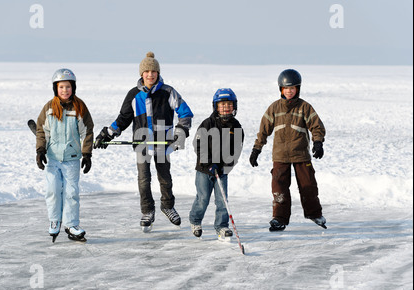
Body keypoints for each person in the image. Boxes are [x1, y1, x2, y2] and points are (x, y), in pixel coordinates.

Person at [94, 52, 193, 232]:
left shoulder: (168, 92)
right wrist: (107, 134)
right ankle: (147, 211)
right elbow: (123, 119)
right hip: (142, 144)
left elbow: (185, 113)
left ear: (158, 73)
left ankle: (167, 206)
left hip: (163, 143)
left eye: (153, 71)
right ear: (141, 74)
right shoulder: (133, 95)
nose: (150, 74)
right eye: (146, 71)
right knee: (143, 180)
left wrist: (180, 132)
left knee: (165, 178)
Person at [249, 69, 326, 231]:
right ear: (281, 89)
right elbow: (263, 130)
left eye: (292, 88)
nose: (289, 91)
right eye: (286, 88)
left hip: (301, 155)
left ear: (298, 88)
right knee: (279, 188)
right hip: (280, 155)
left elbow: (317, 126)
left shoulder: (305, 107)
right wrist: (257, 149)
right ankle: (279, 218)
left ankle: (314, 213)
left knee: (308, 185)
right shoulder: (274, 108)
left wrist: (318, 142)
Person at [36, 68, 94, 242]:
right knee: (52, 190)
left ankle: (71, 224)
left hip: (71, 159)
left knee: (71, 192)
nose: (64, 90)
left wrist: (87, 154)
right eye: (61, 87)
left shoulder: (79, 107)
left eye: (68, 87)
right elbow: (41, 131)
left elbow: (87, 131)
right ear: (56, 88)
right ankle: (55, 221)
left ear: (73, 87)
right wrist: (40, 151)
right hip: (53, 158)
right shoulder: (49, 108)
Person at [189, 88, 244, 239]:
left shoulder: (236, 126)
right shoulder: (208, 123)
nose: (226, 107)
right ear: (216, 106)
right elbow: (198, 144)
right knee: (203, 199)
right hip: (204, 170)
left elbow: (236, 149)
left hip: (222, 170)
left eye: (229, 104)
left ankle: (221, 226)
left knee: (222, 200)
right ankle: (195, 220)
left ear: (234, 106)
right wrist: (209, 163)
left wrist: (225, 166)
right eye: (222, 104)